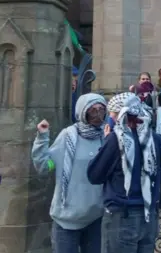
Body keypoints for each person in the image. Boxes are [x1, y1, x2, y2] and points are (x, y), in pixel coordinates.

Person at [87, 92, 161, 253]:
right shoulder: (153, 138)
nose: (110, 118)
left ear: (120, 114)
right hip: (148, 215)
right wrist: (158, 176)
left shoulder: (115, 140)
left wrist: (104, 143)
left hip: (121, 216)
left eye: (112, 114)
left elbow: (94, 175)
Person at [31, 93, 107, 253]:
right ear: (83, 111)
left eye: (102, 110)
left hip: (95, 217)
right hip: (66, 219)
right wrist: (42, 138)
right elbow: (45, 165)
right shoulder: (68, 136)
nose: (98, 115)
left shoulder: (105, 138)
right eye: (93, 110)